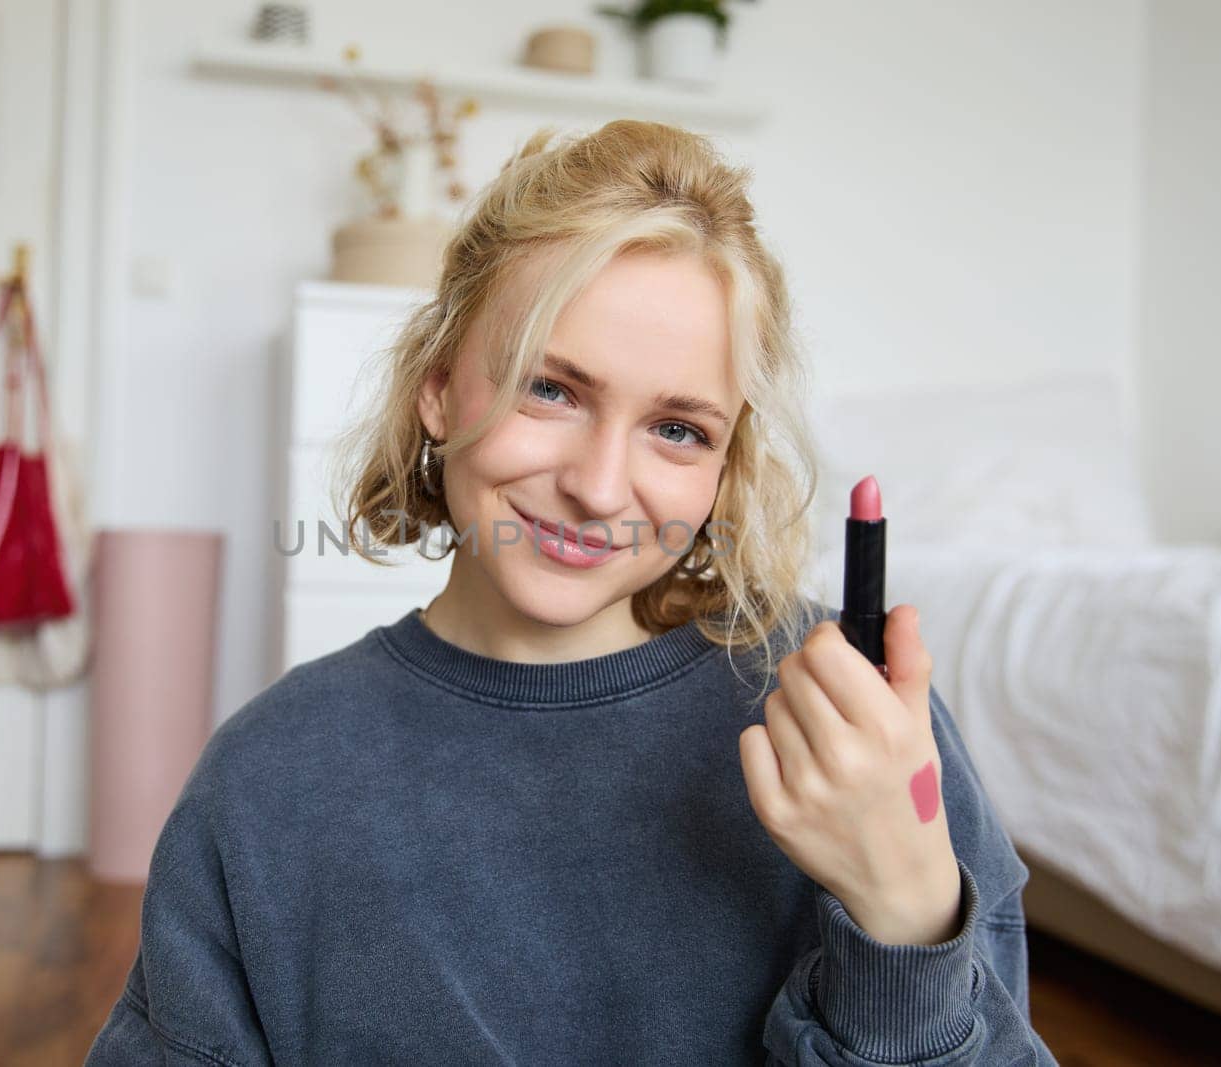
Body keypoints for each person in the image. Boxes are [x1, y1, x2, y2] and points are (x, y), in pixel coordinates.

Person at [84, 120, 1059, 1065]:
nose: (597, 487)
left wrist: (905, 915)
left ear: (727, 463)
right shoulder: (269, 780)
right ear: (437, 384)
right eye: (549, 388)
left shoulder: (852, 729)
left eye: (677, 428)